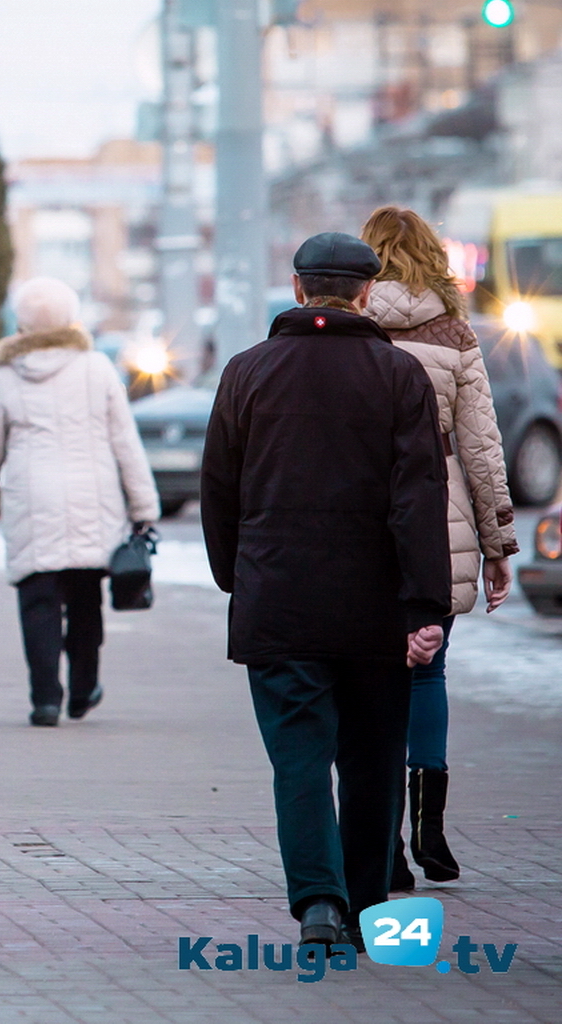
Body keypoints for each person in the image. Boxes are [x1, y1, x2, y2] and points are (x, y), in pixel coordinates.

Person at [200, 232, 451, 950]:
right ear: (367, 292)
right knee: (372, 757)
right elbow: (418, 497)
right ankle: (371, 907)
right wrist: (424, 605)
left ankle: (316, 904)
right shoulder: (399, 376)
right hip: (372, 607)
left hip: (277, 599)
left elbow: (219, 489)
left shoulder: (247, 372)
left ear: (298, 285)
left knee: (300, 759)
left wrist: (234, 575)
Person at [359, 206, 518, 890]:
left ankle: (382, 839)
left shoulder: (346, 331)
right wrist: (497, 542)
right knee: (429, 670)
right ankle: (430, 824)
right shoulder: (454, 332)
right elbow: (482, 446)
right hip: (441, 514)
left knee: (370, 680)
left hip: (361, 516)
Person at [0, 278, 160, 727]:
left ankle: (45, 698)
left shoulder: (6, 375)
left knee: (38, 600)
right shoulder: (96, 368)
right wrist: (144, 506)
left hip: (32, 500)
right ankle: (84, 686)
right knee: (86, 597)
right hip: (94, 501)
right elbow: (125, 442)